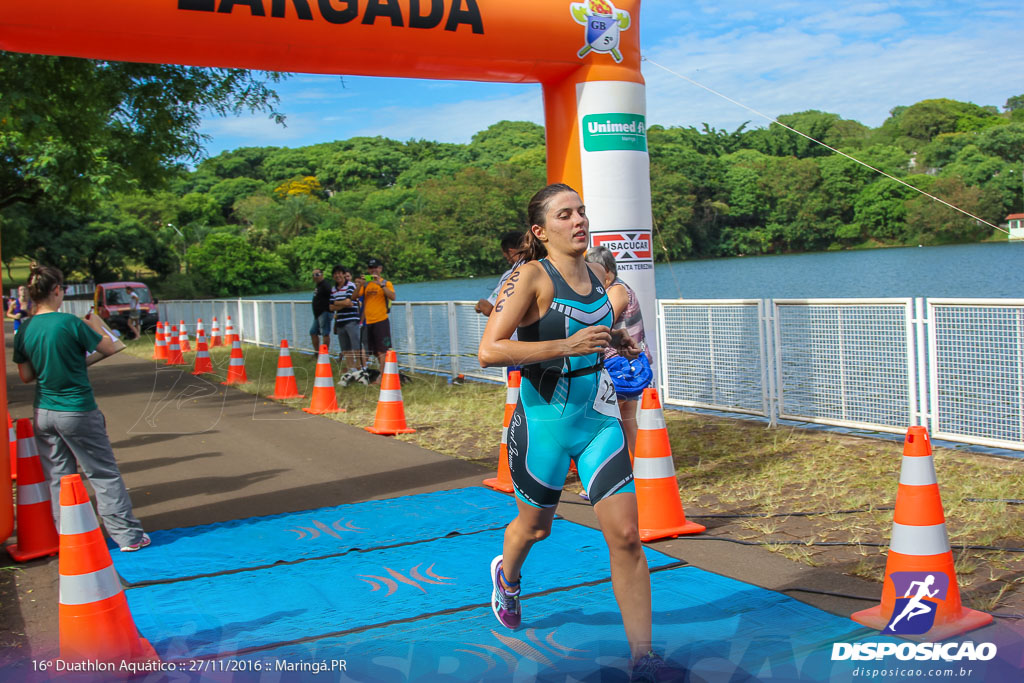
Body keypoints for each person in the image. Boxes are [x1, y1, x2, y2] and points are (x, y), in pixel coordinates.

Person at [478, 184, 666, 679]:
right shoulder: (530, 277)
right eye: (566, 214)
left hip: (597, 421)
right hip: (542, 426)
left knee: (627, 536)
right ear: (541, 231)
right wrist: (567, 345)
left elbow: (593, 327)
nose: (579, 220)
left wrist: (618, 339)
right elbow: (490, 351)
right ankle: (507, 576)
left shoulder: (599, 275)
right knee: (536, 527)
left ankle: (643, 658)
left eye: (582, 211)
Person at [12, 264, 149, 552]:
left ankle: (71, 538)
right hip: (76, 409)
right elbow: (111, 348)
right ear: (57, 291)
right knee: (102, 473)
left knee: (59, 478)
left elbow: (26, 376)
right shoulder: (69, 323)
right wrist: (96, 323)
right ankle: (128, 537)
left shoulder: (25, 328)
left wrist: (62, 364)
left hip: (44, 412)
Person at [584, 245, 654, 458]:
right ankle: (638, 471)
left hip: (618, 365)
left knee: (607, 421)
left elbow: (602, 322)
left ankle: (614, 476)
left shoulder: (617, 290)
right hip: (628, 365)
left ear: (604, 269)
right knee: (626, 420)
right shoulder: (617, 288)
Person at [355, 258, 395, 379]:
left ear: (380, 269)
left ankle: (382, 377)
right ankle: (372, 373)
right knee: (371, 351)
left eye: (376, 268)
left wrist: (381, 285)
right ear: (368, 270)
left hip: (381, 320)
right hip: (368, 322)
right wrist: (360, 285)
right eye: (371, 268)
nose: (373, 270)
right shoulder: (366, 283)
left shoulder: (386, 283)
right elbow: (354, 296)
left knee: (382, 350)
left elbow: (393, 297)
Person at [475, 231, 524, 317]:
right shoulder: (542, 267)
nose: (508, 261)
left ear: (511, 252)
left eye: (506, 257)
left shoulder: (513, 274)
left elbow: (489, 309)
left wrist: (480, 303)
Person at [329, 265, 364, 381]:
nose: (338, 275)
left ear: (344, 274)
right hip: (340, 321)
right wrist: (341, 303)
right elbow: (330, 307)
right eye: (335, 274)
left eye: (340, 273)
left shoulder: (351, 286)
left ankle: (361, 369)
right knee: (346, 348)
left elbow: (349, 302)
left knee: (356, 346)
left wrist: (337, 303)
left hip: (351, 320)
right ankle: (351, 370)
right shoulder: (333, 289)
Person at [309, 268, 333, 351]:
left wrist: (330, 310)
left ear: (322, 275)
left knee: (325, 333)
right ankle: (317, 353)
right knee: (313, 332)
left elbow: (332, 297)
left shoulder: (326, 285)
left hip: (325, 313)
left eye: (317, 274)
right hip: (318, 315)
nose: (315, 277)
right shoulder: (318, 285)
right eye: (313, 275)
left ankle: (324, 354)